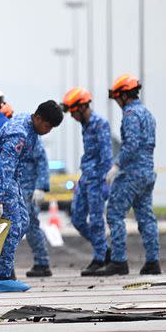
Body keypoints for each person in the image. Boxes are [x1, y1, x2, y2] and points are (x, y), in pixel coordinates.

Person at [0, 100, 63, 292]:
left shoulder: (31, 127)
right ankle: (2, 276)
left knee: (24, 221)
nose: (48, 131)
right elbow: (3, 168)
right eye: (47, 126)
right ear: (38, 118)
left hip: (9, 182)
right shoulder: (19, 133)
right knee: (13, 224)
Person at [101, 74, 161, 275]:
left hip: (131, 174)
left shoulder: (130, 114)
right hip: (147, 173)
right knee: (146, 217)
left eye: (118, 97)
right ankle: (153, 261)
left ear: (125, 95)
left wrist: (116, 166)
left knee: (115, 214)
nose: (117, 102)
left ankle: (119, 261)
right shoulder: (148, 114)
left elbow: (132, 144)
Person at [61, 87, 114, 276]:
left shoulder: (99, 124)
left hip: (97, 179)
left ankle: (100, 258)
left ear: (82, 107)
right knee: (77, 218)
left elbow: (106, 155)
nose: (73, 116)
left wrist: (105, 181)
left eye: (73, 112)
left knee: (97, 220)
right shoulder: (85, 125)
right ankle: (105, 249)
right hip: (86, 178)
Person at [20, 138, 52, 277]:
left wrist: (41, 187)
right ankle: (42, 262)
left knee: (31, 225)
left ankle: (42, 263)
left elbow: (42, 161)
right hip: (19, 187)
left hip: (29, 190)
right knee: (29, 226)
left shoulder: (31, 138)